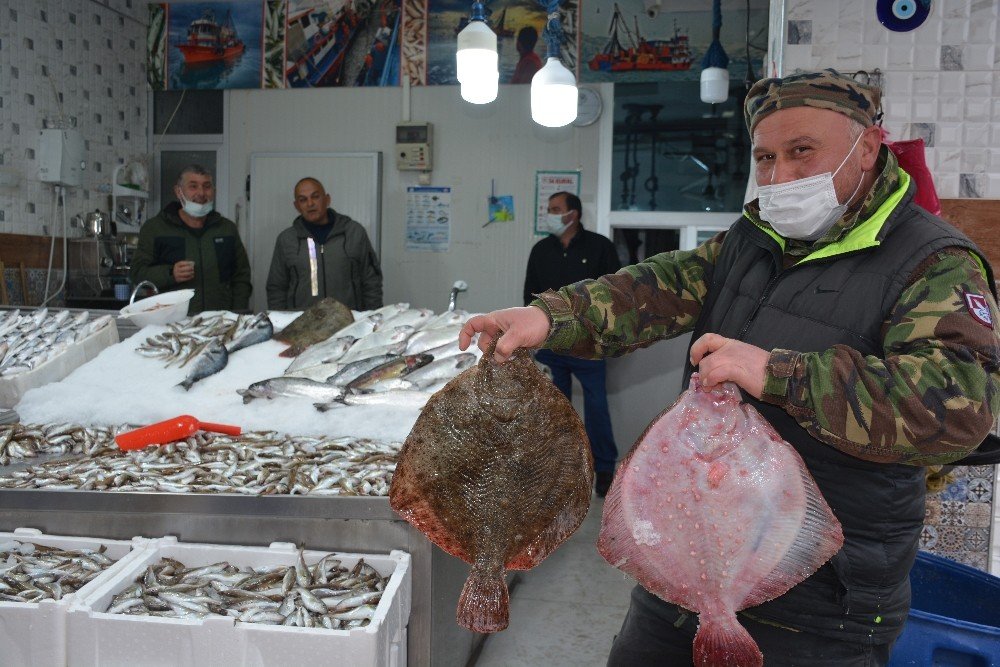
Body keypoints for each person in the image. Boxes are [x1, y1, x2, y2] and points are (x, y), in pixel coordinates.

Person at [459, 69, 1000, 665]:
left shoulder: (934, 261)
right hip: (681, 578)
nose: (781, 176)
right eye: (765, 158)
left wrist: (779, 374)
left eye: (802, 152)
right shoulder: (752, 238)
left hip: (822, 607)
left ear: (868, 147)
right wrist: (549, 317)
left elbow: (957, 408)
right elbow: (657, 286)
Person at [525, 191, 622, 497]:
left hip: (588, 346)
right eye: (549, 209)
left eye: (555, 209)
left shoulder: (600, 247)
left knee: (596, 407)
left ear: (573, 215)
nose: (550, 214)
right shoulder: (541, 250)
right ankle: (556, 470)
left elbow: (617, 294)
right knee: (552, 411)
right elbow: (530, 297)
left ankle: (604, 468)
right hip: (551, 346)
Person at [131, 164, 252, 314]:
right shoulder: (155, 228)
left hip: (219, 322)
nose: (201, 193)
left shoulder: (227, 229)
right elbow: (137, 273)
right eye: (193, 186)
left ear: (214, 191)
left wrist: (237, 313)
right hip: (172, 322)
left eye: (207, 186)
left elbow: (241, 277)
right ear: (178, 191)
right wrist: (170, 273)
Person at [266, 177, 383, 311]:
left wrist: (371, 318)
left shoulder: (354, 233)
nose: (310, 203)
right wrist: (280, 323)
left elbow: (371, 281)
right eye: (303, 200)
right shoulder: (286, 240)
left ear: (327, 199)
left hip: (348, 323)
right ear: (297, 206)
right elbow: (276, 287)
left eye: (315, 197)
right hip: (302, 326)